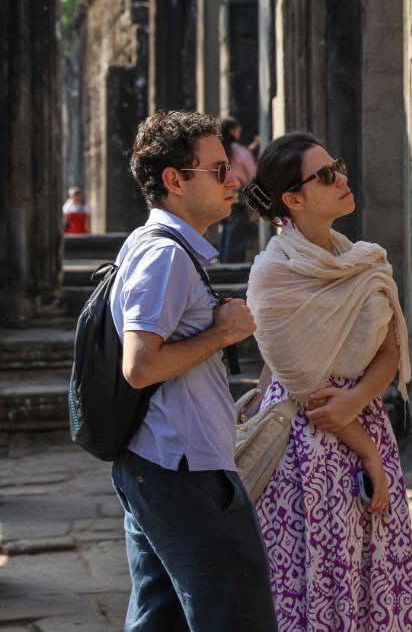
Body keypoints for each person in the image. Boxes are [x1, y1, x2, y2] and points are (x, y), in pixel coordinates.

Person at [243, 132, 412, 631]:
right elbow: (305, 385)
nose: (342, 178)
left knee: (376, 576)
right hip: (305, 447)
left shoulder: (363, 260)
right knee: (315, 581)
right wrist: (365, 450)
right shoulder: (272, 275)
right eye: (325, 175)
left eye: (337, 166)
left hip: (363, 418)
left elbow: (390, 351)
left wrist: (361, 398)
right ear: (293, 199)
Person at [109, 110, 276, 630]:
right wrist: (223, 334)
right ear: (174, 180)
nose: (235, 181)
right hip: (182, 467)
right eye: (218, 170)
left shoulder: (166, 250)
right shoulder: (165, 257)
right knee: (235, 614)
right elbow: (139, 367)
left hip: (162, 460)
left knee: (159, 618)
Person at [219, 116, 258, 263]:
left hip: (220, 192)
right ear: (233, 131)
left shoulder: (219, 153)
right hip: (238, 193)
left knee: (226, 227)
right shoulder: (241, 152)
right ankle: (232, 262)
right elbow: (252, 175)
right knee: (237, 227)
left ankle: (224, 260)